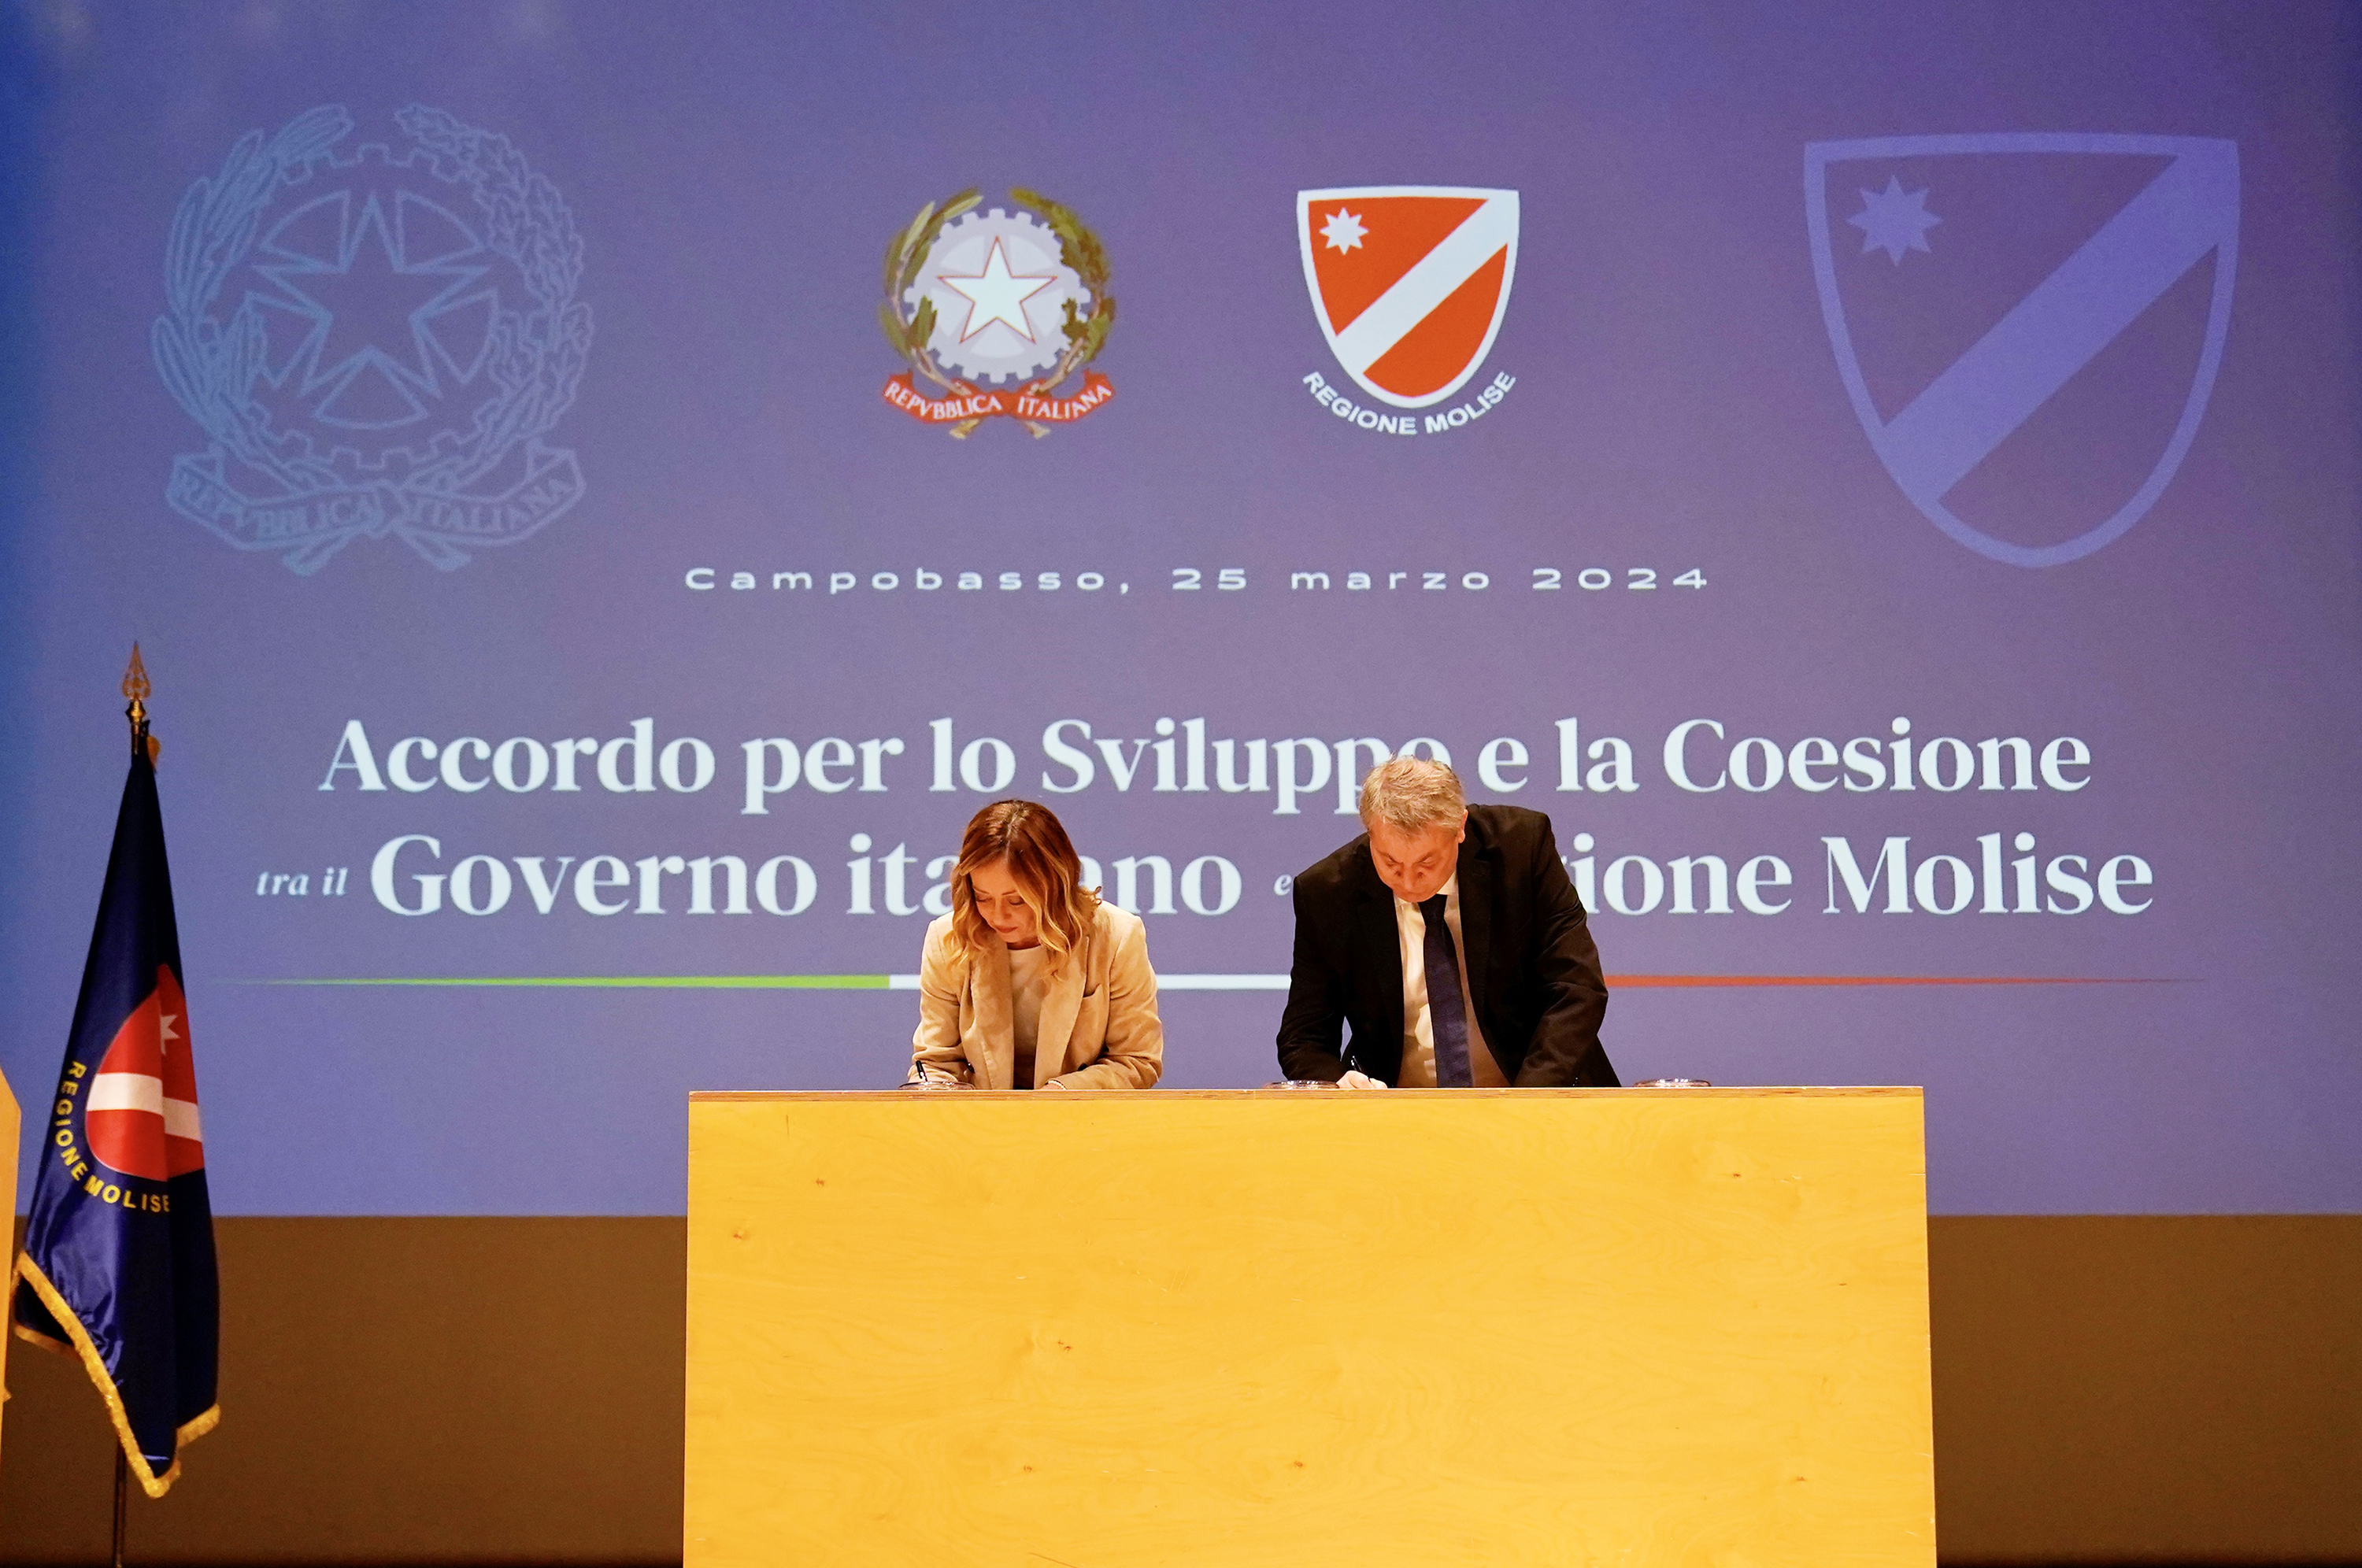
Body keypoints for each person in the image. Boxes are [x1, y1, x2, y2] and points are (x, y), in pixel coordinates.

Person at [1277, 756, 1615, 1088]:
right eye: (1390, 863)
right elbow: (1303, 1038)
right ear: (1370, 833)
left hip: (1537, 1092)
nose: (1409, 883)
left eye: (1426, 863)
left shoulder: (1521, 848)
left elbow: (1577, 987)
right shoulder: (1327, 893)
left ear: (1460, 828)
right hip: (1397, 1108)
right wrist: (1339, 1083)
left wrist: (1526, 1102)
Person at [907, 799, 1163, 1090]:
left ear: (1056, 885)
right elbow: (936, 1063)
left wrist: (1056, 1098)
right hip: (981, 1117)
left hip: (1081, 1113)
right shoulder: (947, 938)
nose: (998, 916)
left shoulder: (1117, 936)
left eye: (1016, 900)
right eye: (983, 897)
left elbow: (1135, 1060)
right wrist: (937, 1091)